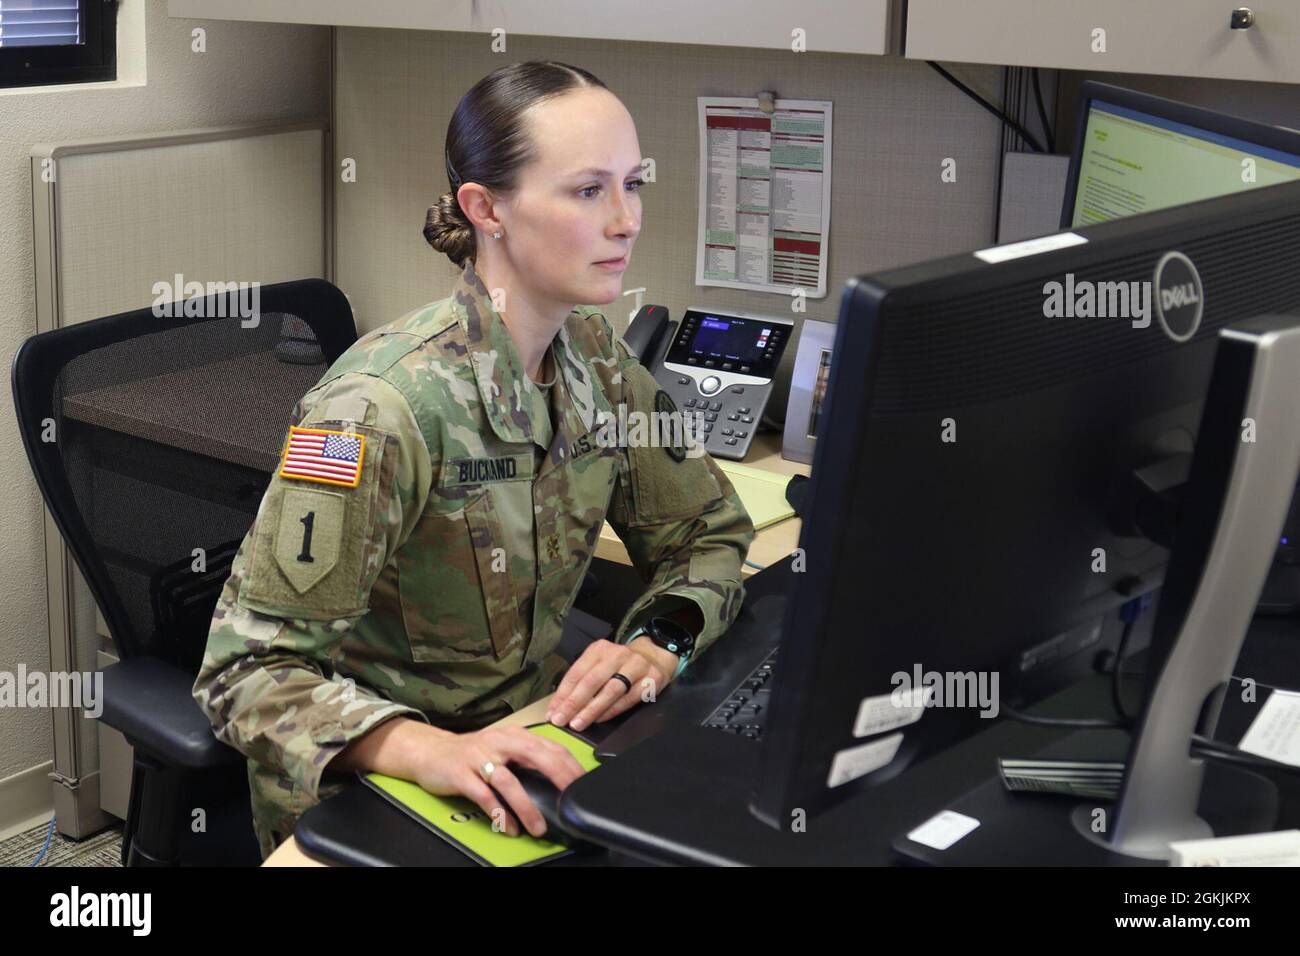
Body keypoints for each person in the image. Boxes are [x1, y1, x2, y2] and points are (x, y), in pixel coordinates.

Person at [193, 60, 755, 861]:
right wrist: (431, 750)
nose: (627, 220)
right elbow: (244, 675)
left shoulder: (593, 356)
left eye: (634, 185)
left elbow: (707, 530)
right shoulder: (376, 411)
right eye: (588, 191)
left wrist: (657, 641)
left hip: (530, 745)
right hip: (372, 790)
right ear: (485, 208)